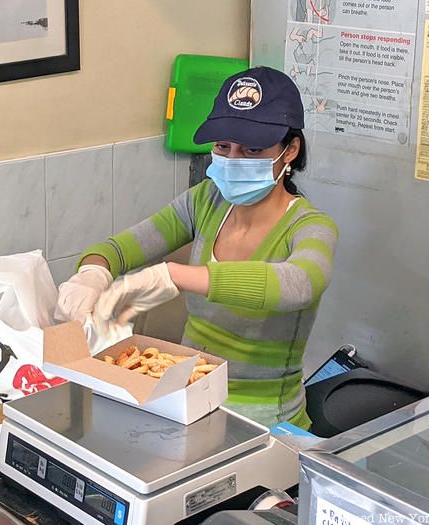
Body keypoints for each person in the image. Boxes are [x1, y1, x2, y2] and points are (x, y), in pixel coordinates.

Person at [57, 66, 337, 429]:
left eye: (252, 150)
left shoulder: (310, 227)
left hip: (265, 419)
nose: (233, 160)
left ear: (289, 150)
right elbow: (121, 248)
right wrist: (92, 274)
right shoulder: (207, 201)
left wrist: (174, 274)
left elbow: (300, 283)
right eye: (223, 146)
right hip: (187, 398)